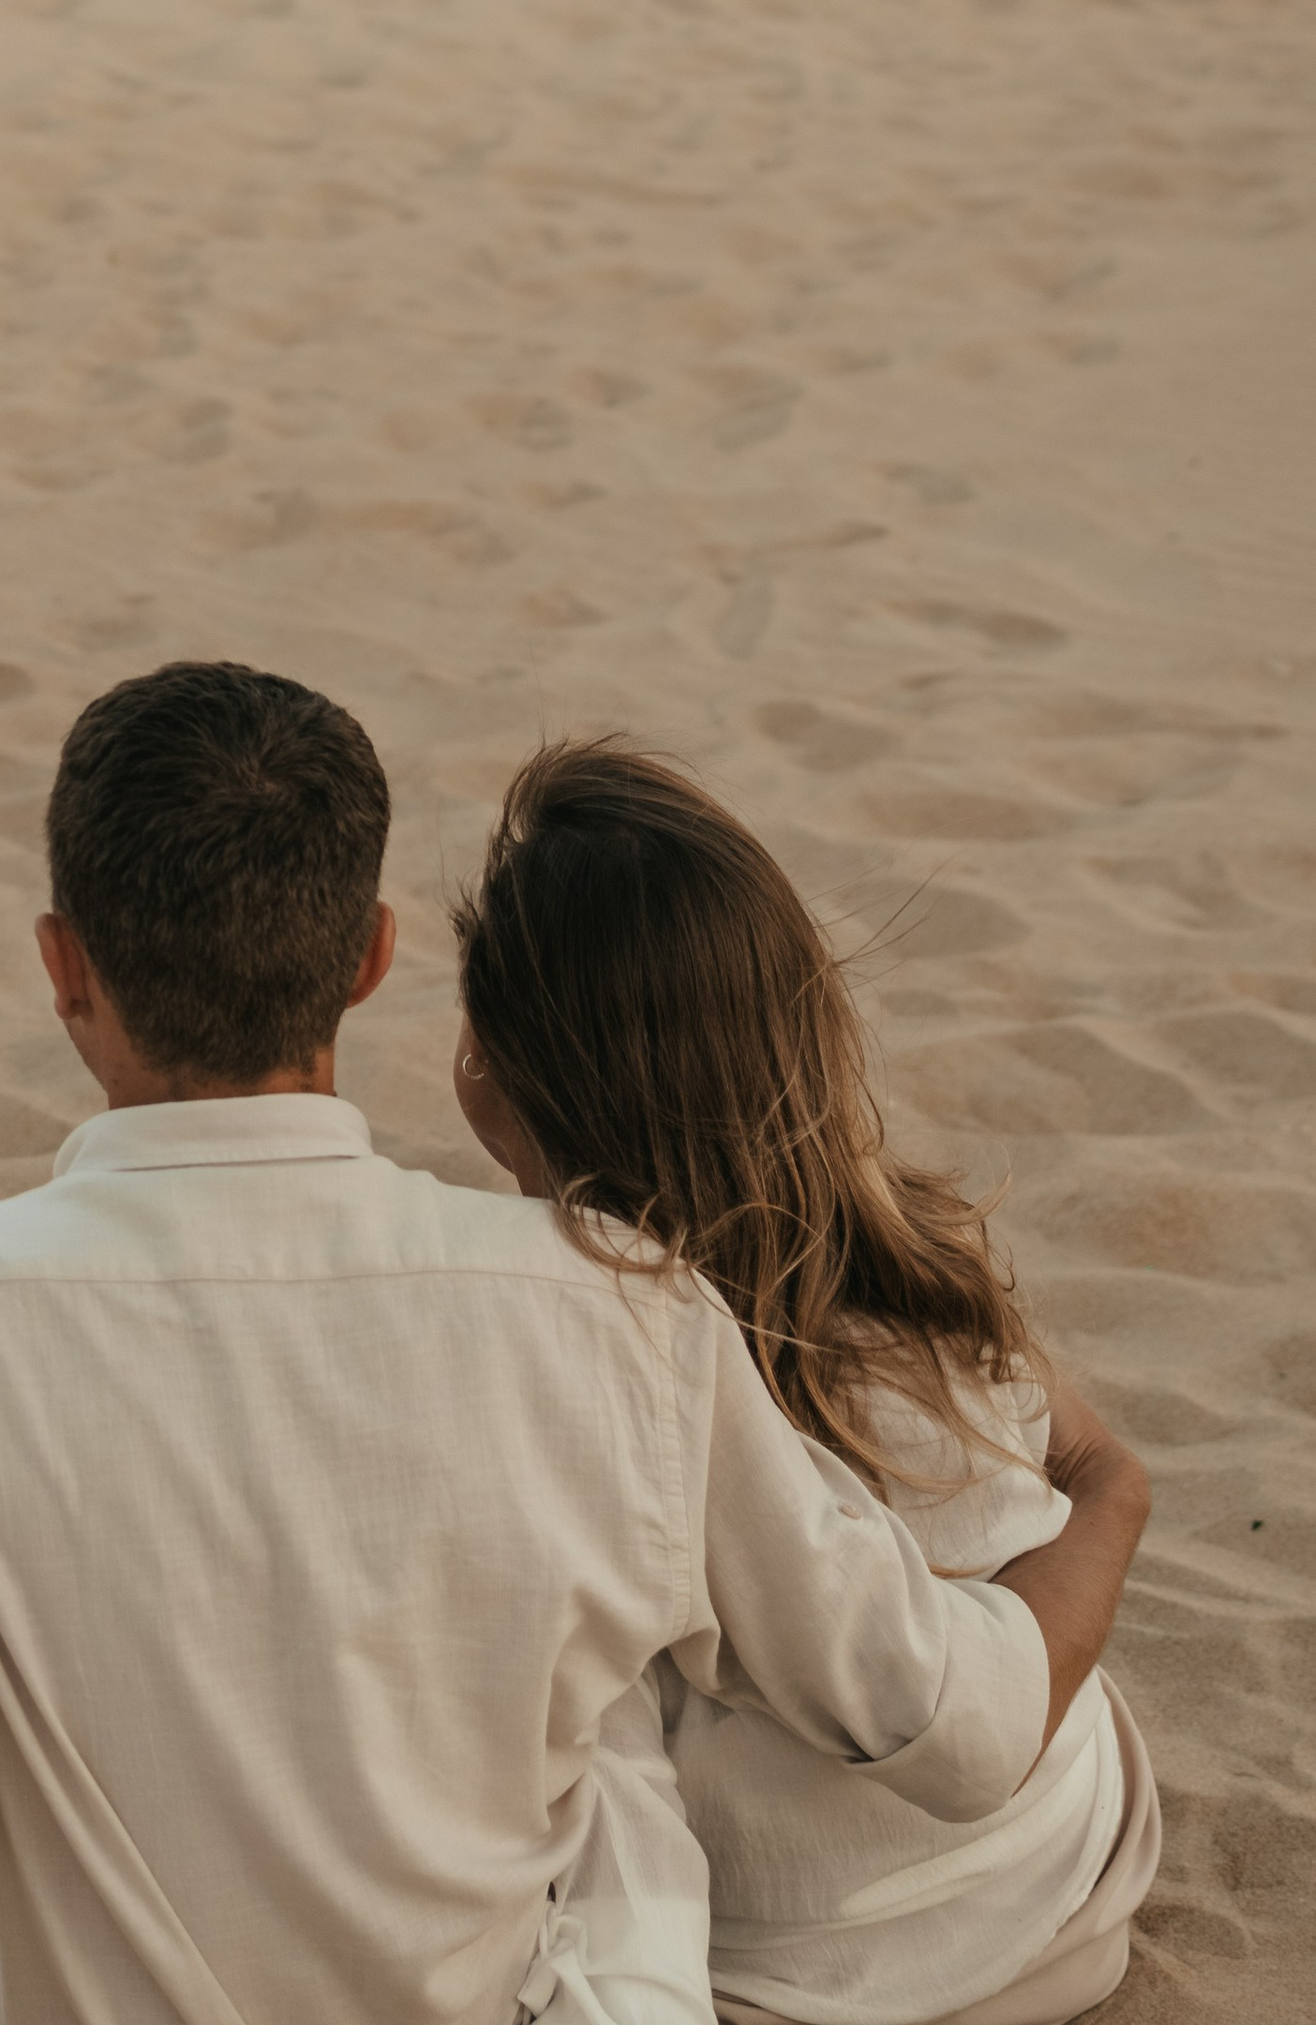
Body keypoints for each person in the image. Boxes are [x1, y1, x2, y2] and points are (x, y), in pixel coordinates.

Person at [0, 664, 1149, 2024]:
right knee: (608, 1776)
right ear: (368, 965)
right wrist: (1116, 1483)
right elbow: (954, 1710)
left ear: (60, 967)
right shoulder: (620, 1316)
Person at [450, 741, 1157, 2025]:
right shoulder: (917, 1251)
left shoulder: (620, 1361)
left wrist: (1114, 1500)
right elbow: (1079, 1458)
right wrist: (1107, 1492)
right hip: (1072, 1871)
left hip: (831, 1975)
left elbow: (948, 1714)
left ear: (497, 1074)